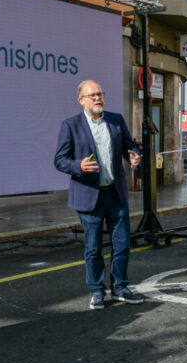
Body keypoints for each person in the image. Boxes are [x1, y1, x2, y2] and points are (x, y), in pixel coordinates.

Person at [54, 80, 144, 310]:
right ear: (81, 100)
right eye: (92, 95)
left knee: (122, 244)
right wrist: (79, 166)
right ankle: (96, 291)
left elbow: (129, 147)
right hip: (89, 195)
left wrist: (134, 157)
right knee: (93, 248)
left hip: (115, 193)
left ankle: (121, 287)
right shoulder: (71, 125)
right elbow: (60, 160)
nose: (97, 98)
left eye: (100, 94)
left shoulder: (115, 120)